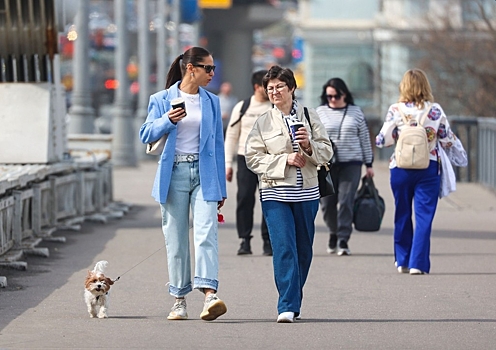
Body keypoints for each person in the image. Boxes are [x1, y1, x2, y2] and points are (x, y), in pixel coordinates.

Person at [139, 47, 228, 321]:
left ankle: (209, 294)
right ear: (191, 68)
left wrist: (221, 187)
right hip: (174, 173)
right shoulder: (162, 99)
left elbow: (217, 144)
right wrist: (167, 119)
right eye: (208, 68)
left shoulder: (212, 101)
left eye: (213, 69)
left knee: (205, 233)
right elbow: (145, 134)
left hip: (205, 175)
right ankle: (179, 299)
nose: (213, 73)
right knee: (176, 240)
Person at [245, 66, 333, 323]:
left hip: (307, 192)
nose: (274, 92)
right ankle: (287, 304)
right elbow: (252, 157)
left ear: (292, 88)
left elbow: (327, 152)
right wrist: (284, 160)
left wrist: (308, 146)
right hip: (274, 192)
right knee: (284, 248)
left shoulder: (310, 115)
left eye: (279, 87)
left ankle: (293, 296)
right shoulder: (263, 121)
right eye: (270, 88)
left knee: (303, 250)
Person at [375, 68, 458, 275]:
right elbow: (447, 139)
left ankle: (402, 260)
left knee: (402, 213)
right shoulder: (435, 110)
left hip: (400, 168)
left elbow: (382, 140)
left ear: (404, 86)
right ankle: (417, 264)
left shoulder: (396, 109)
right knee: (424, 217)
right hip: (428, 167)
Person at [315, 78, 374, 256]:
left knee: (346, 201)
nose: (332, 99)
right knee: (326, 203)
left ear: (344, 94)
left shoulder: (355, 112)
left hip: (351, 163)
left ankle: (343, 239)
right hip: (326, 165)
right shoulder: (320, 112)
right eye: (329, 96)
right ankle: (333, 231)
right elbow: (313, 136)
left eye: (336, 96)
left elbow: (364, 138)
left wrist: (369, 163)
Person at [224, 70, 273, 256]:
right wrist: (228, 163)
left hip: (268, 159)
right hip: (245, 158)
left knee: (269, 199)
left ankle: (268, 240)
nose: (270, 90)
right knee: (245, 198)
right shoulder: (242, 107)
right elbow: (231, 136)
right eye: (266, 86)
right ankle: (245, 239)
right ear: (257, 87)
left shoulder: (274, 108)